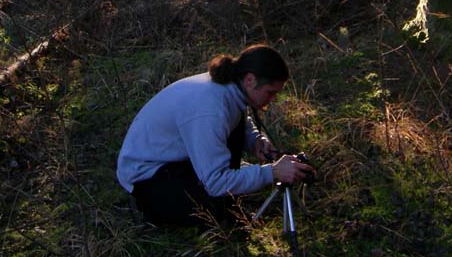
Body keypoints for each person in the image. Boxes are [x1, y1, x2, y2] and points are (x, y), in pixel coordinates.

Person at [116, 43, 314, 226]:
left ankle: (214, 191)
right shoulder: (210, 108)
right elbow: (216, 183)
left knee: (224, 196)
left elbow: (238, 119)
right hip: (147, 178)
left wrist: (256, 141)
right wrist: (271, 172)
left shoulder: (229, 87)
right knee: (214, 212)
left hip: (172, 160)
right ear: (250, 80)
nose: (272, 100)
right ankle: (147, 209)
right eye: (270, 93)